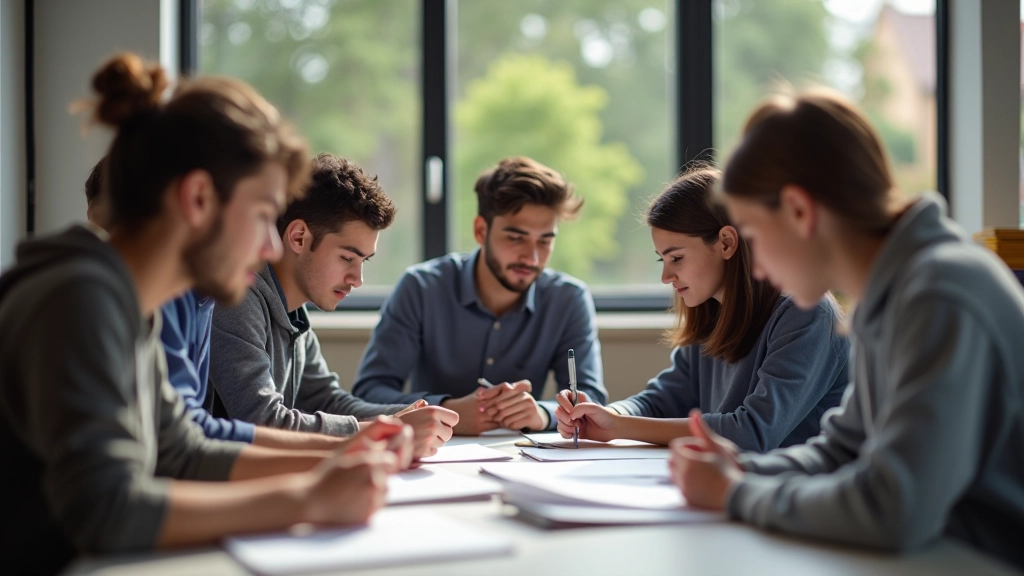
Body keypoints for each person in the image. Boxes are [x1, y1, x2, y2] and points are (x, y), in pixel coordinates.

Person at [0, 53, 410, 575]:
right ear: (197, 199)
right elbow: (108, 510)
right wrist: (306, 499)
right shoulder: (80, 297)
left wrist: (343, 454)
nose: (270, 247)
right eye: (262, 215)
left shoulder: (131, 304)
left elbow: (183, 450)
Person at [670, 88, 1024, 569]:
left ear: (799, 211)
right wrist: (742, 468)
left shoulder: (939, 295)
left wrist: (734, 493)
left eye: (752, 234)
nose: (754, 267)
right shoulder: (891, 293)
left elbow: (892, 508)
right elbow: (843, 451)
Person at [85, 159, 413, 451]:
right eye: (259, 219)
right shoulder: (222, 299)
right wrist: (367, 436)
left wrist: (398, 422)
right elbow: (248, 425)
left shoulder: (198, 305)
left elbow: (190, 442)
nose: (269, 246)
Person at [553, 167, 848, 451]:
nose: (665, 277)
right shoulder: (712, 313)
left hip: (792, 484)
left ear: (726, 243)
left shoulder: (806, 313)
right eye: (662, 260)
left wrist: (620, 426)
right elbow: (660, 401)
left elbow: (753, 432)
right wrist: (605, 414)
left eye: (677, 258)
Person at [210, 152, 458, 457]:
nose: (357, 279)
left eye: (364, 261)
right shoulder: (236, 300)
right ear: (298, 237)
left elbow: (329, 401)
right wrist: (390, 427)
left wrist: (414, 415)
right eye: (347, 258)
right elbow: (263, 421)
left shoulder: (295, 312)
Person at [351, 156, 608, 435]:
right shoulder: (421, 288)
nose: (532, 258)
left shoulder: (569, 299)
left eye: (545, 241)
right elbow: (369, 391)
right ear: (480, 231)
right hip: (433, 451)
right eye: (516, 238)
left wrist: (542, 414)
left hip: (524, 454)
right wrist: (445, 408)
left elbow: (590, 398)